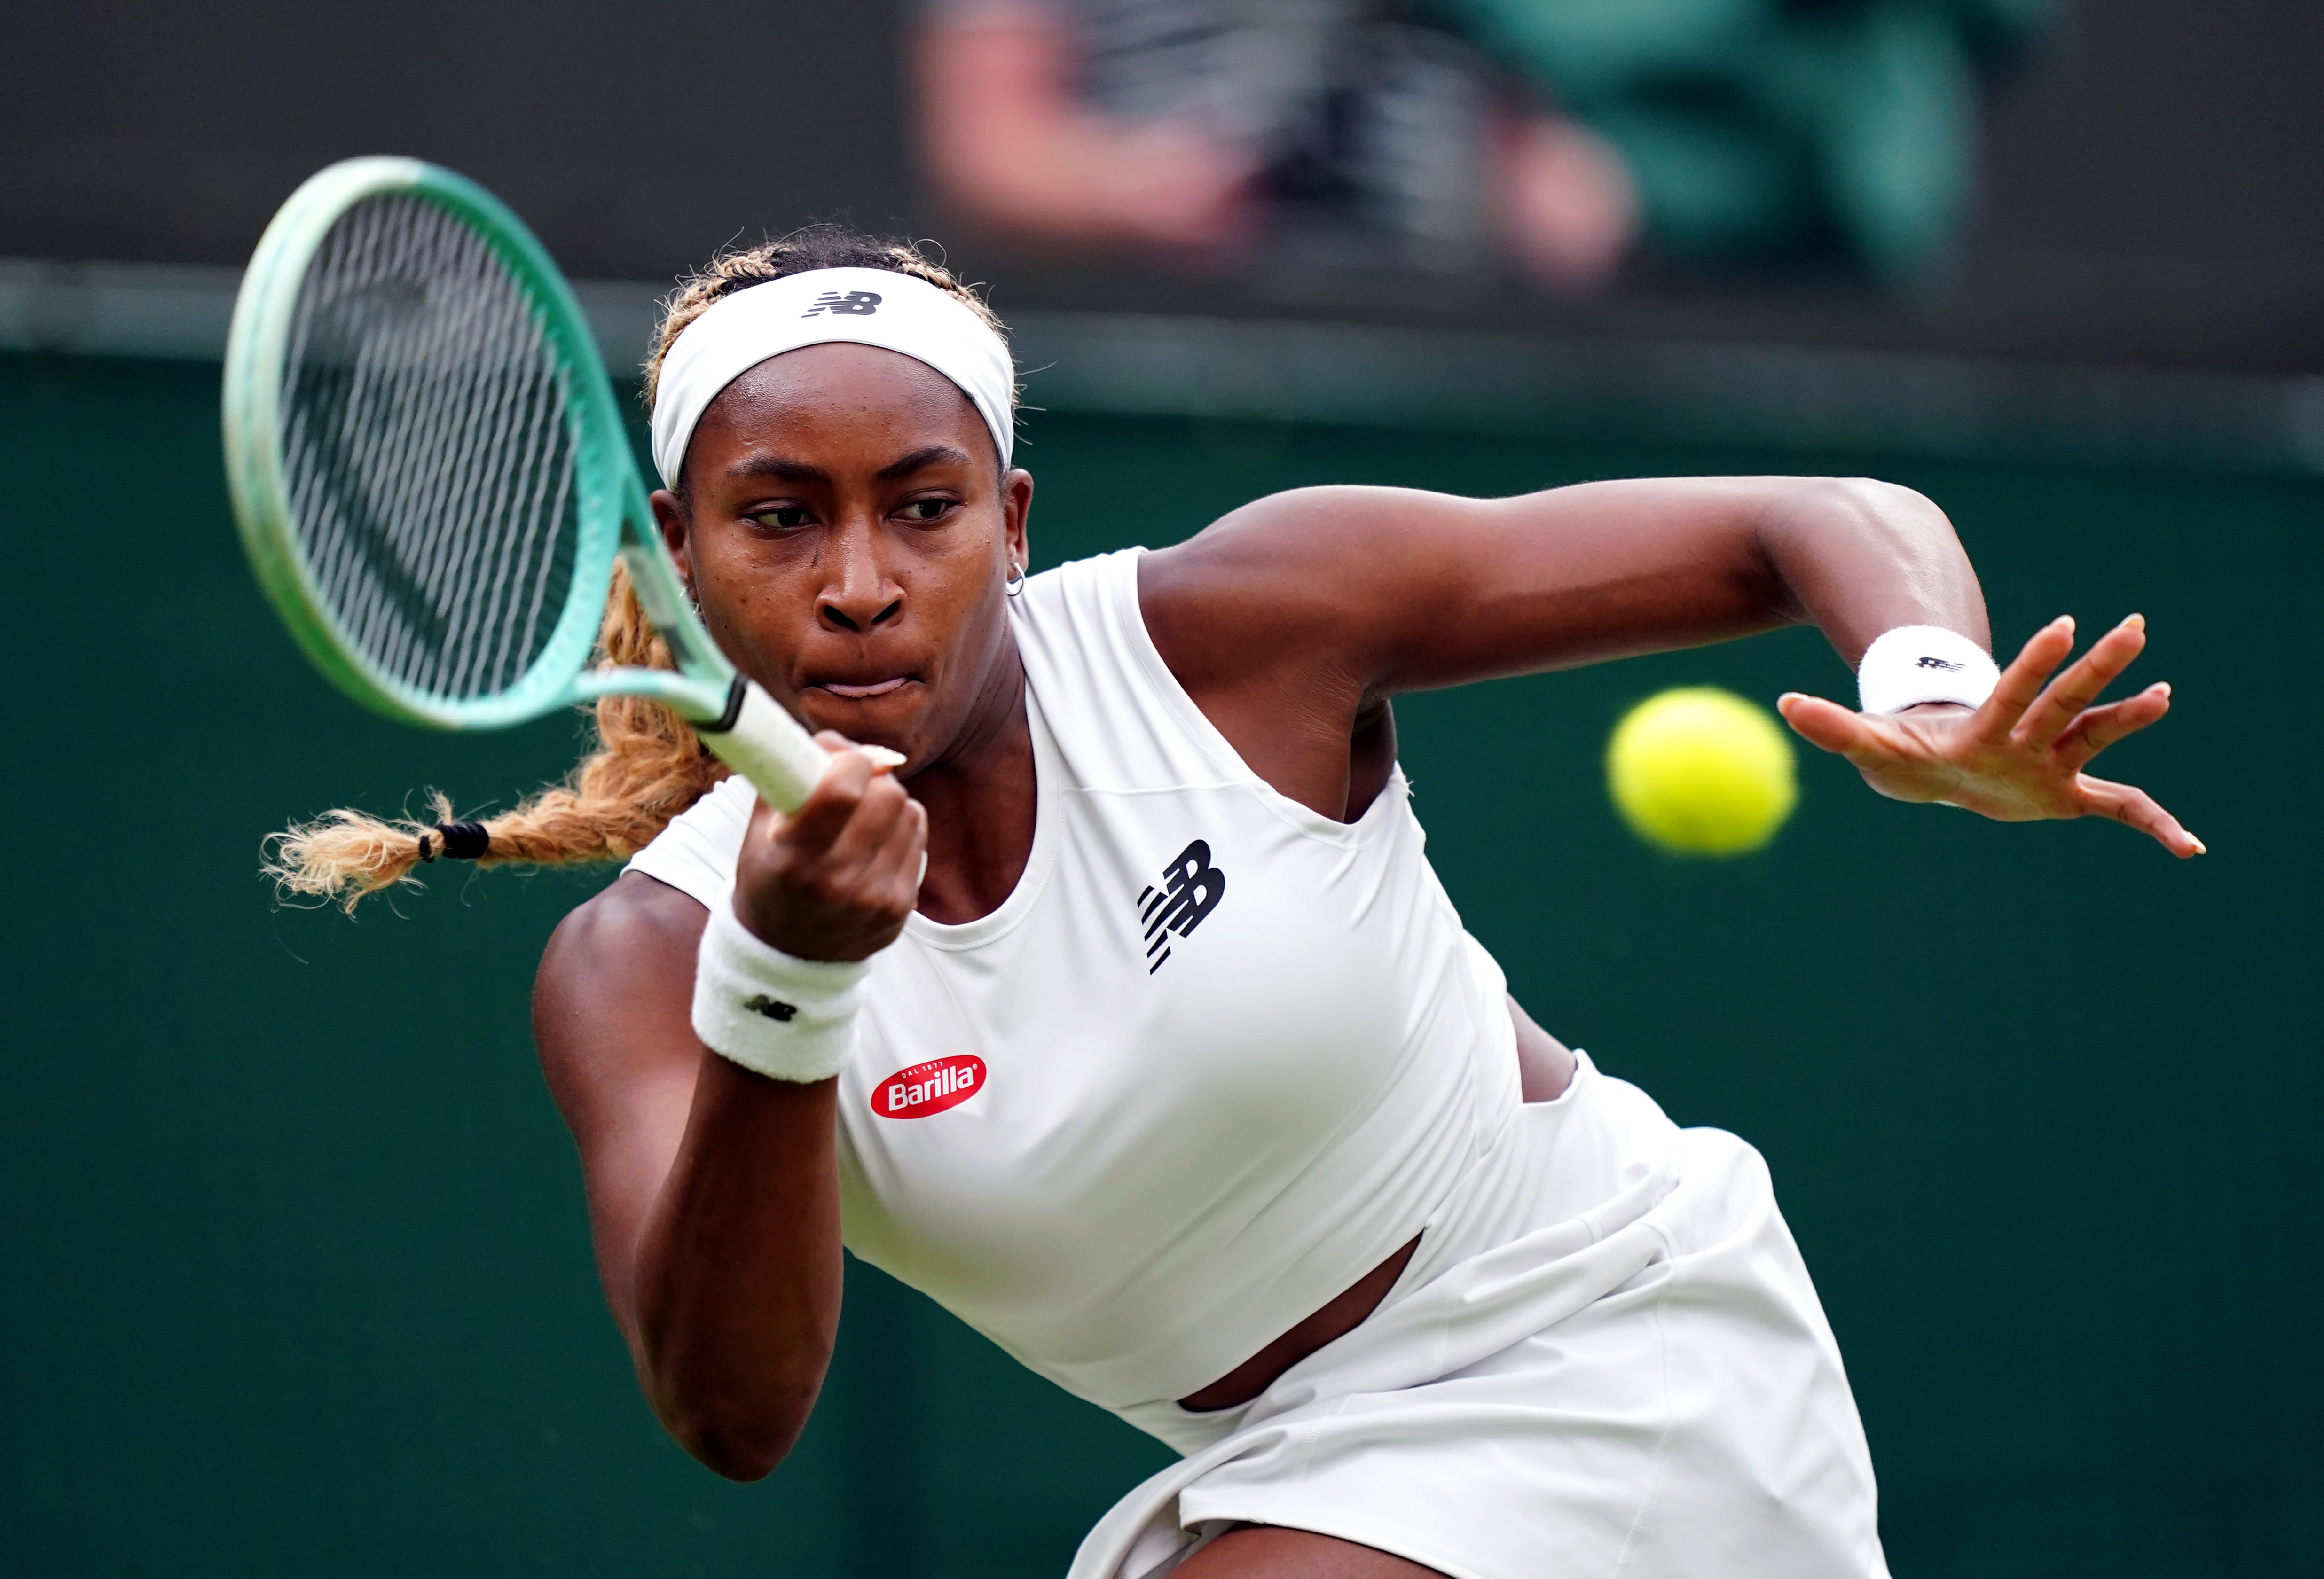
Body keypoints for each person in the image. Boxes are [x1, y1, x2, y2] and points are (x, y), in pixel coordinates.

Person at [273, 228, 2197, 1579]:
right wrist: (791, 989)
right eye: (781, 518)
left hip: (1620, 1340)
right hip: (1292, 1473)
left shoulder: (1236, 630)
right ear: (682, 553)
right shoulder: (646, 964)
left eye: (922, 509)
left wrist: (1934, 694)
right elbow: (734, 1414)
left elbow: (1808, 518)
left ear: (1010, 524)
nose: (859, 580)